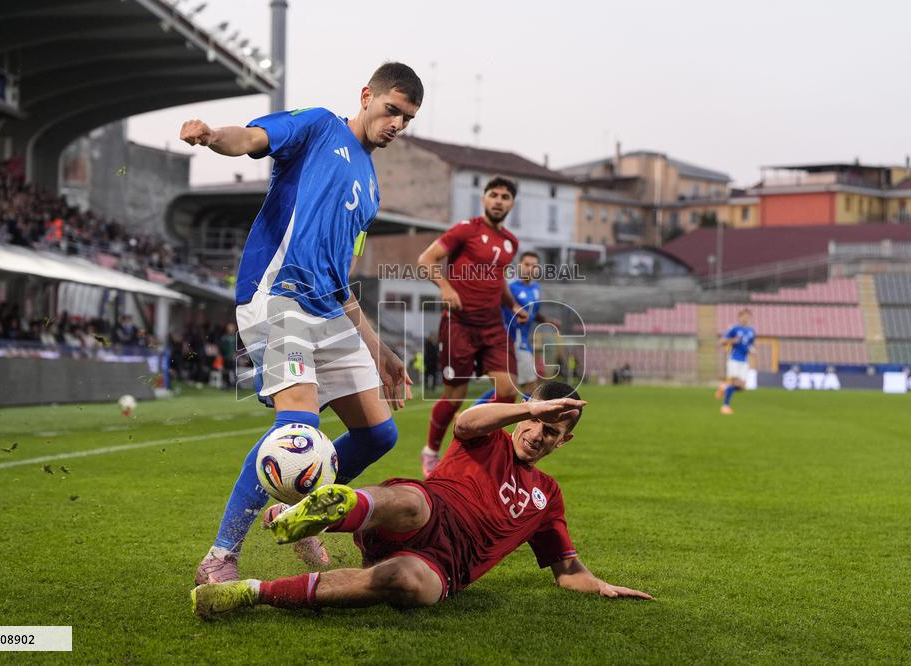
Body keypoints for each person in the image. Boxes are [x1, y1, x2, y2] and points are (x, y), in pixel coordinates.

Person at [179, 62, 423, 584]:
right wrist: (212, 136)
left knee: (379, 434)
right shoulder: (317, 126)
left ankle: (301, 499)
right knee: (297, 431)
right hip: (277, 295)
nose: (397, 124)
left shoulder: (372, 190)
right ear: (366, 96)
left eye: (407, 118)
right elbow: (251, 138)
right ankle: (221, 555)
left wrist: (378, 348)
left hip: (329, 307)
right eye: (391, 110)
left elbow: (342, 275)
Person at [191, 380, 652, 618]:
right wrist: (531, 405)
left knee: (408, 584)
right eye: (535, 422)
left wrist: (602, 586)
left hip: (447, 566)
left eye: (552, 432)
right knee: (412, 502)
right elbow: (468, 421)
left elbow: (568, 570)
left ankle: (250, 593)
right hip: (424, 512)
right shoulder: (487, 438)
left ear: (563, 442)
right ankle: (318, 514)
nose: (537, 434)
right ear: (523, 415)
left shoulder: (548, 497)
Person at [417, 176, 528, 477]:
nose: (498, 200)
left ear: (511, 204)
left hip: (492, 325)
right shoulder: (466, 229)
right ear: (484, 199)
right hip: (459, 324)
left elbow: (498, 278)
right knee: (453, 396)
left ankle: (473, 439)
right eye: (493, 194)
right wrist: (444, 287)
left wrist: (513, 305)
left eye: (505, 196)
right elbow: (426, 259)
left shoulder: (511, 243)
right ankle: (430, 451)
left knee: (508, 391)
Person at [475, 251, 562, 403]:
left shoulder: (536, 288)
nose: (530, 268)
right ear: (519, 266)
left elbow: (532, 313)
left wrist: (547, 320)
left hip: (523, 342)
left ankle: (473, 411)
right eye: (527, 264)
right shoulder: (510, 288)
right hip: (513, 340)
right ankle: (526, 423)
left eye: (534, 266)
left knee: (508, 386)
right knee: (529, 385)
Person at [716, 308, 756, 414]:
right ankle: (725, 406)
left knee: (742, 387)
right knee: (732, 382)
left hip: (744, 361)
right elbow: (721, 342)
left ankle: (724, 388)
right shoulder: (734, 329)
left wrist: (752, 350)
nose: (745, 318)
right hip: (734, 359)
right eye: (743, 316)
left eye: (747, 316)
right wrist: (733, 340)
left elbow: (750, 345)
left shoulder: (752, 331)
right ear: (739, 317)